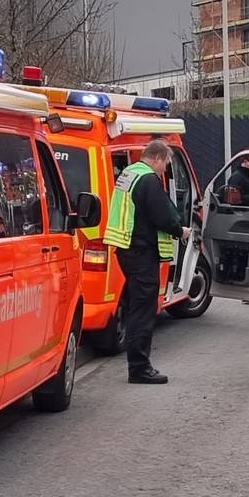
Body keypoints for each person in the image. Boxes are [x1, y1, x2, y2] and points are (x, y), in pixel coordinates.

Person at [104, 139, 188, 384]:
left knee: (135, 307)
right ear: (159, 158)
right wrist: (179, 230)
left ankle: (137, 364)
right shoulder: (148, 179)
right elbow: (162, 215)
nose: (165, 170)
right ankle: (140, 368)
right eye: (166, 164)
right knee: (143, 310)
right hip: (141, 250)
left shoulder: (129, 173)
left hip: (127, 248)